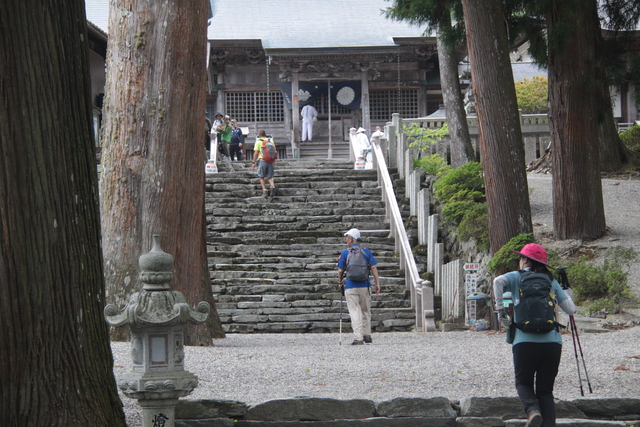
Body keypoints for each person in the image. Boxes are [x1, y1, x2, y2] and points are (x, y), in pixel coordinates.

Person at [493, 243, 576, 427]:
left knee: (523, 383)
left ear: (525, 260)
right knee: (545, 391)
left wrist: (500, 311)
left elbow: (497, 282)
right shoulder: (551, 281)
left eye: (521, 258)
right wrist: (567, 292)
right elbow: (571, 309)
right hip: (552, 343)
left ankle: (532, 411)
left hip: (524, 341)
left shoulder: (515, 277)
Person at [336, 228, 381, 345]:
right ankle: (367, 335)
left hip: (351, 286)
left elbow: (340, 270)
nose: (346, 240)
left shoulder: (346, 253)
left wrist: (340, 282)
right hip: (365, 286)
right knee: (366, 310)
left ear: (351, 239)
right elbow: (374, 267)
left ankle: (358, 337)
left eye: (347, 237)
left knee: (355, 311)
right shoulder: (366, 251)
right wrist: (377, 283)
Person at [252, 129, 276, 198]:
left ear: (259, 135)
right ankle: (272, 185)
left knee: (261, 176)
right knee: (270, 176)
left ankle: (265, 190)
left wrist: (253, 162)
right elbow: (274, 152)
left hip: (262, 160)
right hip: (271, 160)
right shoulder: (270, 141)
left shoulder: (258, 142)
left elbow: (256, 153)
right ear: (265, 135)